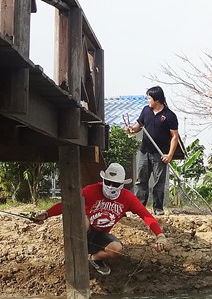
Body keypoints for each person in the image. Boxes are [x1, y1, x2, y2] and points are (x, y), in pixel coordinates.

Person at [33, 163, 168, 276]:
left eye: (115, 184)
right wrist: (46, 214)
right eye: (107, 182)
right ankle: (78, 253)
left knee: (116, 248)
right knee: (82, 219)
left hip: (101, 235)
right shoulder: (90, 190)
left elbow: (146, 215)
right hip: (84, 232)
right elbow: (68, 203)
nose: (110, 186)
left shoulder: (128, 198)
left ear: (121, 185)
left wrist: (159, 235)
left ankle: (93, 258)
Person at [124, 86, 179, 216]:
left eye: (149, 98)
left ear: (157, 100)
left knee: (159, 182)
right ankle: (139, 207)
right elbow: (138, 126)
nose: (148, 100)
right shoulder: (146, 111)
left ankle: (158, 208)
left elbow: (174, 136)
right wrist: (131, 129)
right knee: (141, 180)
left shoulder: (169, 116)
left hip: (160, 153)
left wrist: (170, 155)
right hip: (144, 151)